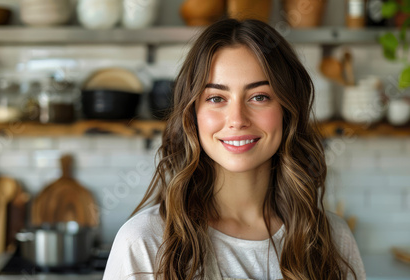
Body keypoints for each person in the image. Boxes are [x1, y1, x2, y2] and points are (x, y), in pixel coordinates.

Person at [103, 18, 366, 280]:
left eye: (259, 97)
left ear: (288, 111)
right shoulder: (144, 243)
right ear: (192, 114)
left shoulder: (332, 239)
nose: (238, 119)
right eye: (216, 98)